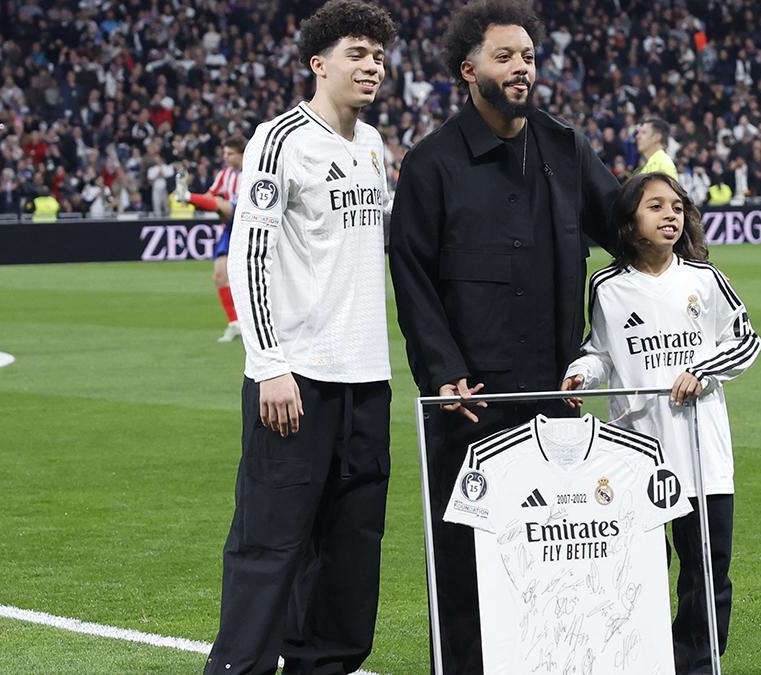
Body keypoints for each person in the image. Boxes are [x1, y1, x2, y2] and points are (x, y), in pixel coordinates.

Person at [388, 1, 619, 671]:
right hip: (469, 401)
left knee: (557, 568)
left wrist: (670, 231)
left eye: (528, 57)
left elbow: (623, 228)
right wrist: (441, 371)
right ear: (469, 70)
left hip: (555, 405)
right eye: (505, 57)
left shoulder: (566, 147)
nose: (522, 69)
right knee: (463, 571)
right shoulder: (430, 163)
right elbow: (412, 276)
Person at [204, 2, 397, 673]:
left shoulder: (373, 146)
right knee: (270, 544)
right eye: (357, 53)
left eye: (378, 55)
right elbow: (251, 255)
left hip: (368, 381)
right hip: (297, 377)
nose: (372, 65)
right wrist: (270, 364)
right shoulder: (280, 139)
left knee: (350, 548)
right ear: (319, 63)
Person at [562, 172, 761, 674]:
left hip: (703, 456)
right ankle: (644, 662)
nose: (670, 215)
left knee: (706, 575)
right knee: (640, 574)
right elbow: (601, 352)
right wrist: (580, 375)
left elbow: (746, 341)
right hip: (637, 458)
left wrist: (701, 370)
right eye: (655, 207)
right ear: (630, 221)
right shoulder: (607, 287)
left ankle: (696, 666)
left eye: (676, 206)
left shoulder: (705, 279)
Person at [176, 136, 246, 342]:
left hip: (249, 222)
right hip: (230, 227)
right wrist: (195, 201)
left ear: (241, 153)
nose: (225, 157)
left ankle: (185, 195)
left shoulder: (254, 169)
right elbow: (210, 197)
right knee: (219, 275)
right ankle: (234, 324)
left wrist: (189, 198)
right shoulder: (225, 174)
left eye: (229, 153)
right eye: (224, 153)